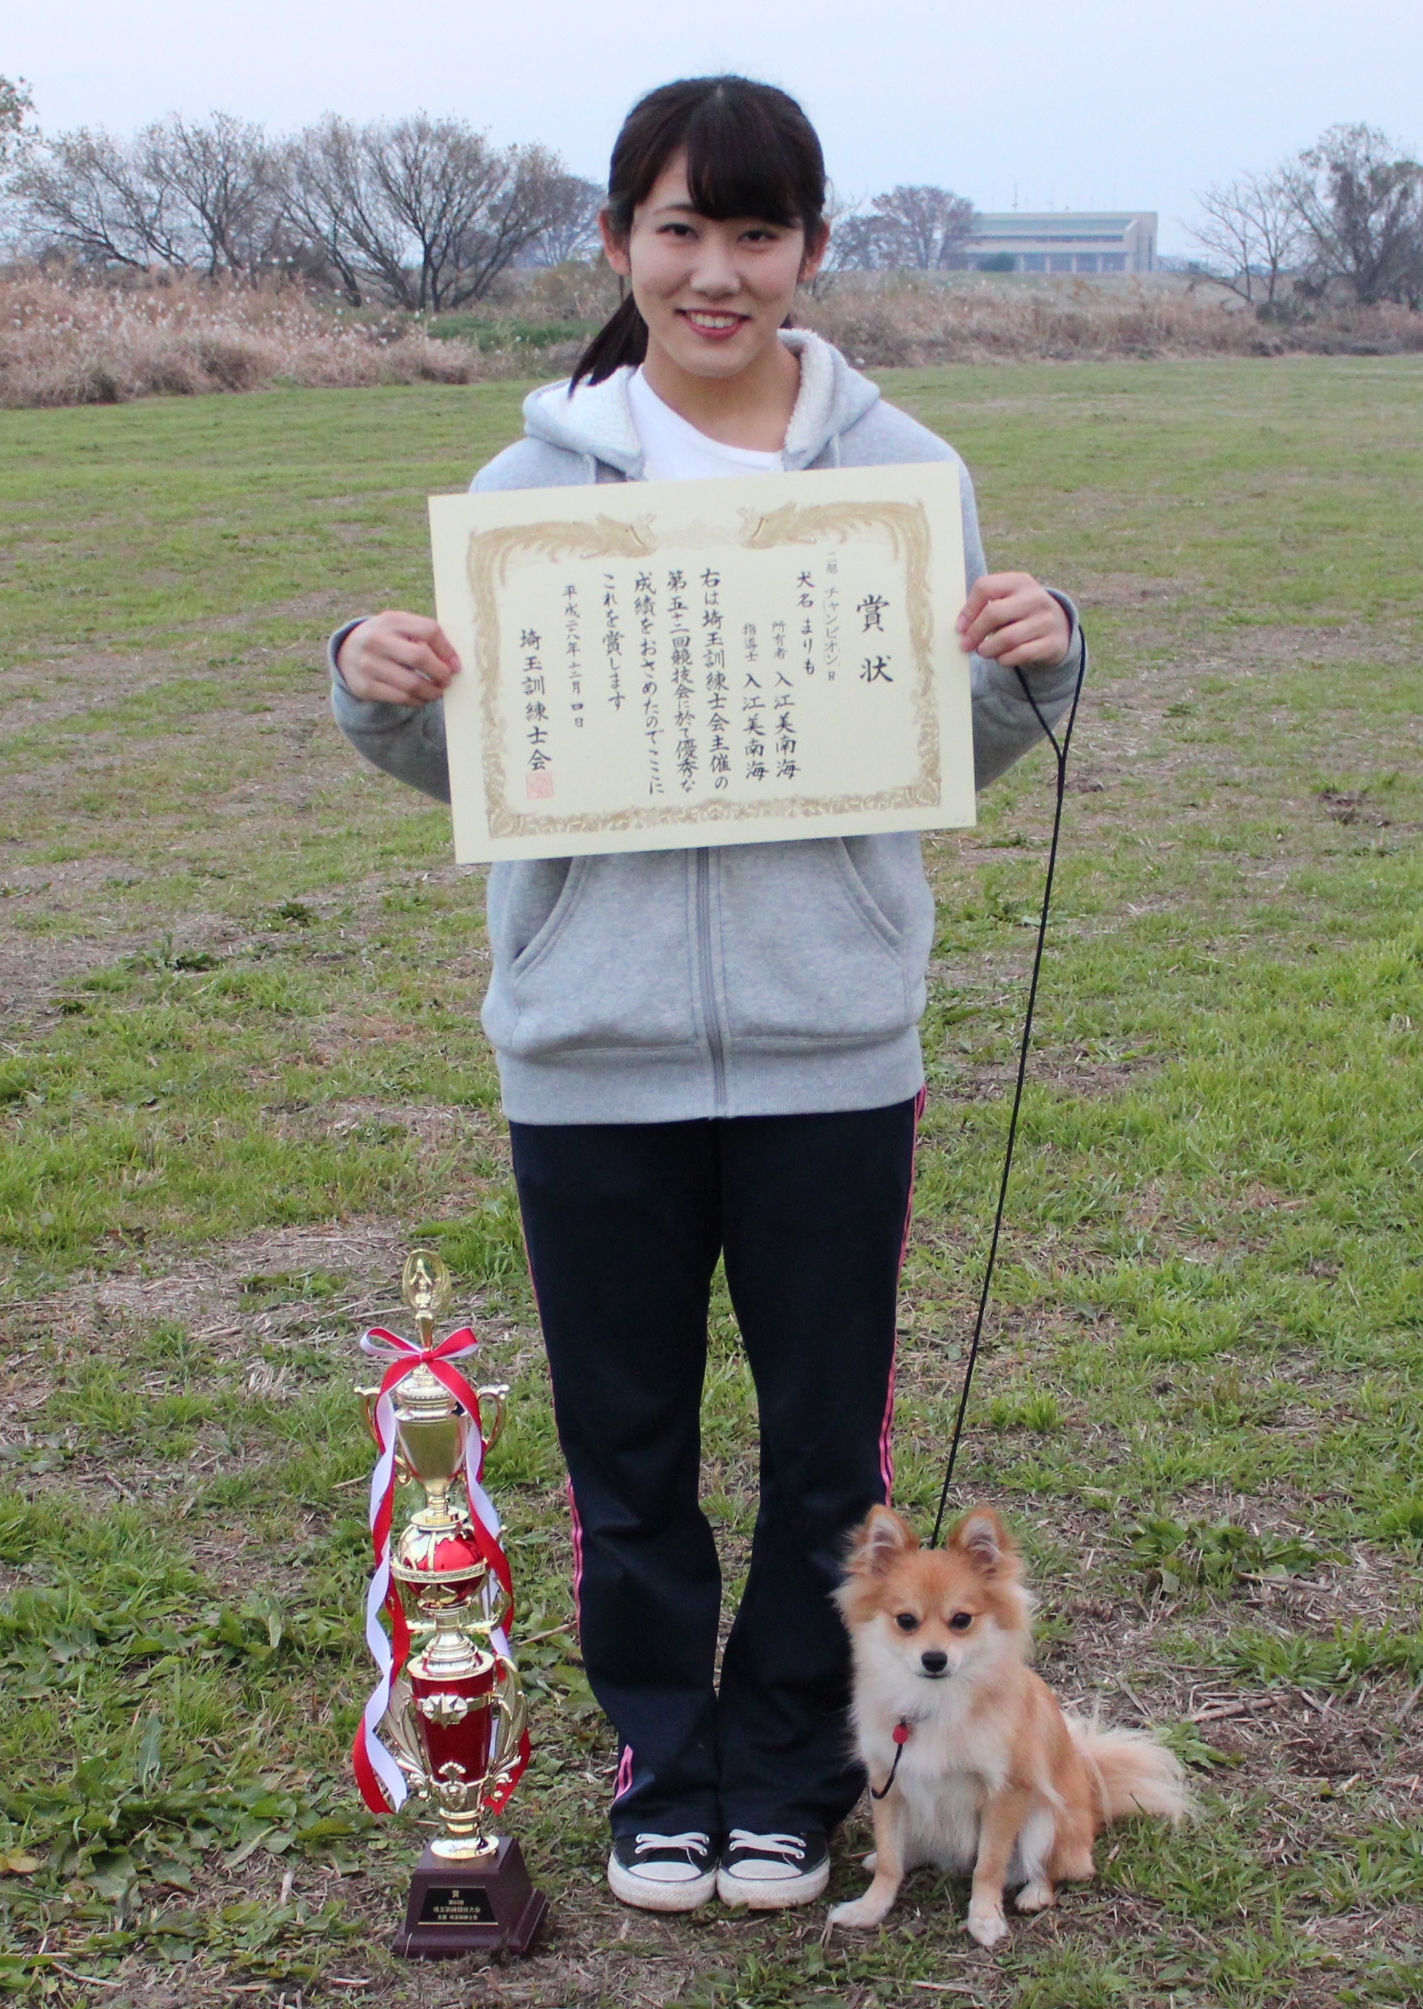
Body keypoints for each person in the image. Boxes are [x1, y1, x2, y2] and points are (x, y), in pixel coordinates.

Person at [329, 75, 1083, 1916]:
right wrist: (376, 681)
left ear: (812, 250)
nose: (717, 271)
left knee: (829, 1448)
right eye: (681, 229)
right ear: (619, 243)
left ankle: (792, 1766)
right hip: (591, 1059)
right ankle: (668, 1770)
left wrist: (1034, 660)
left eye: (758, 232)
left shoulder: (908, 475)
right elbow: (479, 768)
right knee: (629, 1451)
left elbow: (949, 742)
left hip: (835, 1050)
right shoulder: (525, 490)